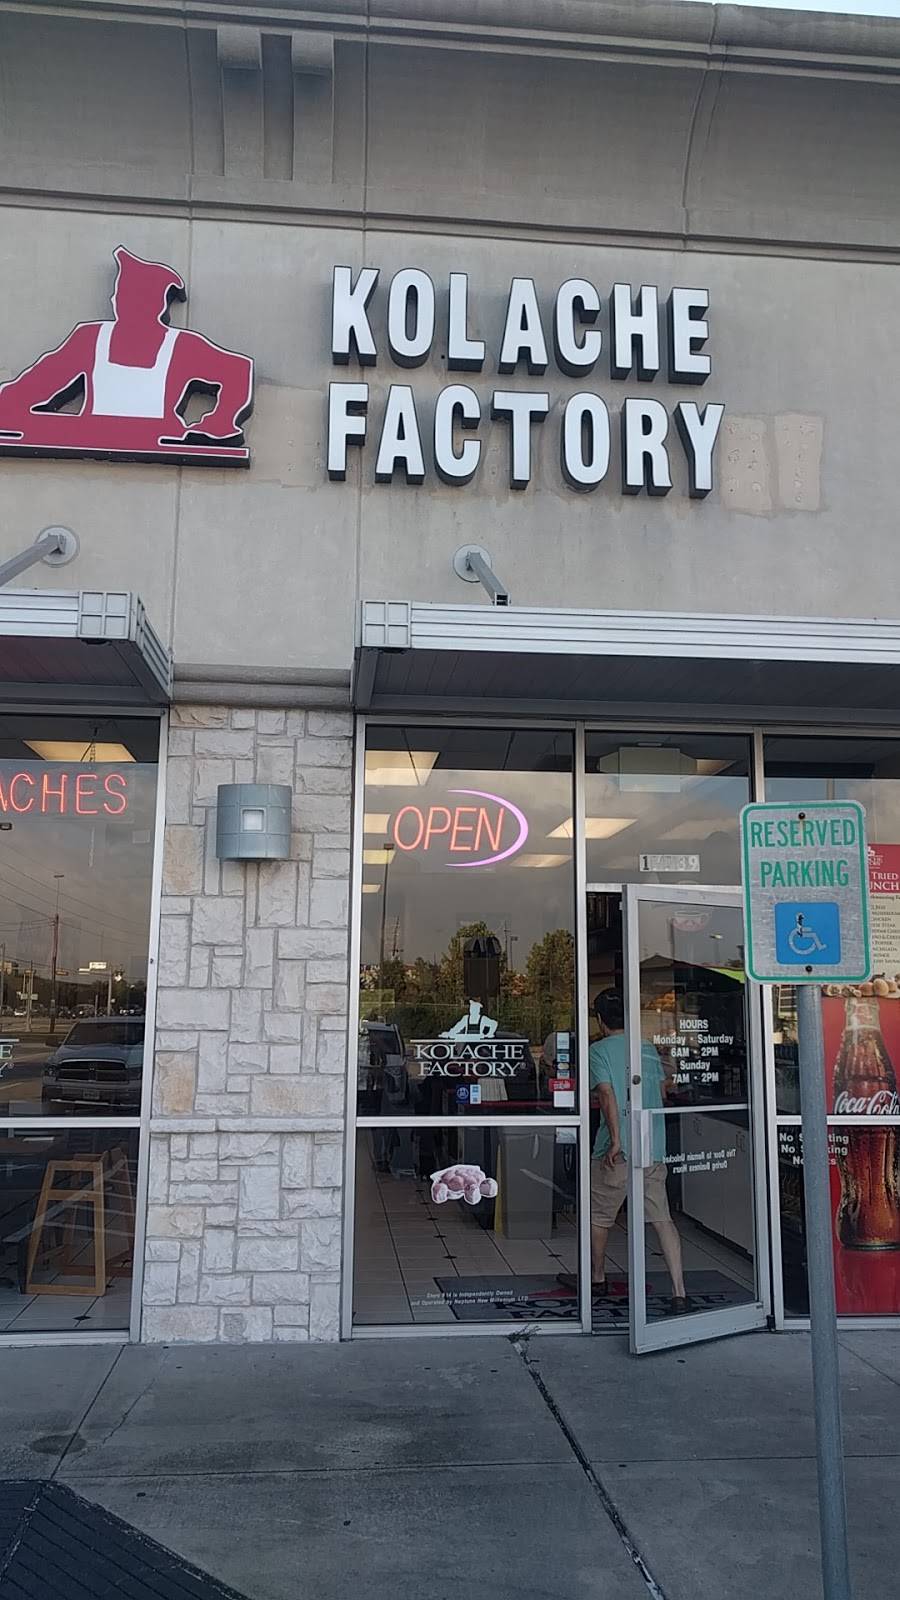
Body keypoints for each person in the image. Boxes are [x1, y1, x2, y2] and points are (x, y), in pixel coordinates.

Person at [560, 988, 688, 1314]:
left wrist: (616, 1139)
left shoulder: (598, 1051)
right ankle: (679, 1292)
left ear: (600, 1020)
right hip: (651, 1145)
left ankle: (597, 1278)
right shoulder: (645, 1048)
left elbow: (606, 1095)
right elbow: (661, 1090)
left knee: (600, 1216)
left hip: (616, 1149)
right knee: (662, 1218)